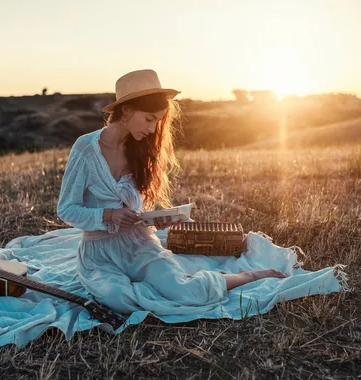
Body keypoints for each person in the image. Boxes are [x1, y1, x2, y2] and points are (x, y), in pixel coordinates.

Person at [57, 69, 287, 315]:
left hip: (139, 244)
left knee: (188, 294)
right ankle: (169, 282)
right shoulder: (85, 149)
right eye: (149, 119)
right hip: (99, 253)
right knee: (118, 299)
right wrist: (109, 215)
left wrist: (156, 219)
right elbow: (66, 210)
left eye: (158, 120)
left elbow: (137, 209)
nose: (154, 128)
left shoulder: (141, 150)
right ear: (126, 110)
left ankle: (242, 276)